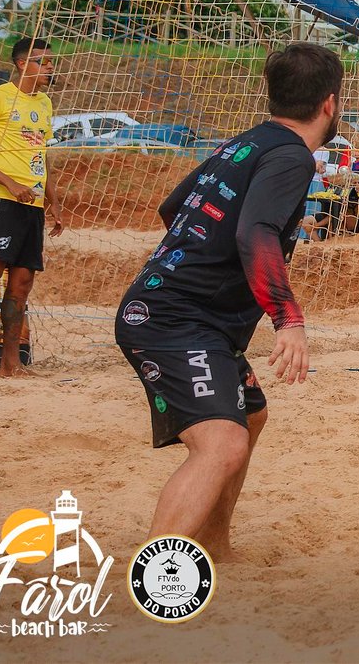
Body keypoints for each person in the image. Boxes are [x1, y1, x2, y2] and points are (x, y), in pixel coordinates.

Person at [115, 42, 340, 556]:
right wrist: (288, 319)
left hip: (187, 316)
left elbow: (173, 207)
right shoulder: (293, 156)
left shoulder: (248, 142)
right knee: (221, 444)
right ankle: (158, 574)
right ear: (329, 103)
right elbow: (254, 232)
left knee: (250, 415)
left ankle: (214, 547)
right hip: (172, 319)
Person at [0, 37, 64, 379]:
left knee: (21, 284)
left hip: (31, 205)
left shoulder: (45, 103)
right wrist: (9, 183)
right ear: (23, 64)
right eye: (43, 61)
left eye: (51, 61)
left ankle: (11, 364)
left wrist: (53, 201)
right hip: (1, 200)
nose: (50, 67)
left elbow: (42, 155)